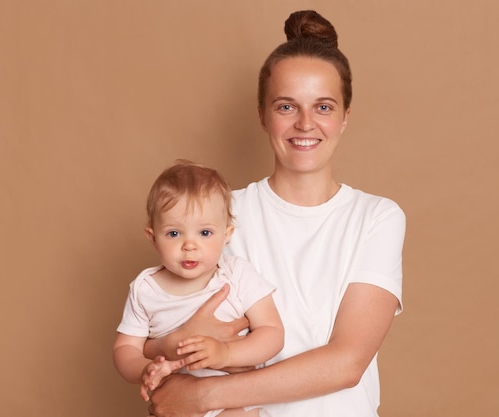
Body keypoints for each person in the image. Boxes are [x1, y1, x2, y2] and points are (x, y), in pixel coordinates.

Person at [145, 10, 406, 417]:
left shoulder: (377, 218)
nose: (305, 124)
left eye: (323, 106)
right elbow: (169, 335)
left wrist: (202, 397)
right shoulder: (219, 217)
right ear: (262, 115)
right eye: (287, 107)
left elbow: (347, 362)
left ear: (344, 117)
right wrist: (172, 362)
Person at [113, 160, 284, 417]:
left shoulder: (236, 274)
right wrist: (143, 369)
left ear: (227, 235)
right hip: (178, 404)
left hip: (234, 401)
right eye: (174, 234)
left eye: (204, 233)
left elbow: (272, 333)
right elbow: (125, 349)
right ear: (153, 237)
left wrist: (226, 353)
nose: (189, 245)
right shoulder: (145, 288)